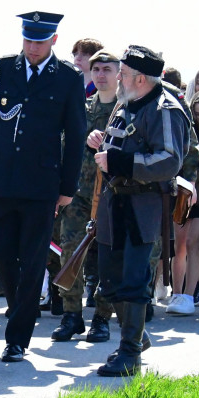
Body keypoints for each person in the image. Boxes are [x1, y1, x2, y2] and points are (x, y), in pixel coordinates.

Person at [0, 11, 86, 363]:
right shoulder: (3, 69)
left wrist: (68, 184)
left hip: (42, 183)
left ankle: (17, 337)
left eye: (40, 40)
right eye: (28, 40)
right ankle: (23, 305)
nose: (33, 47)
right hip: (2, 180)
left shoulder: (67, 78)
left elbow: (76, 136)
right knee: (0, 254)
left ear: (54, 41)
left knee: (33, 260)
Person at [90, 45, 190, 376]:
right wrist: (102, 147)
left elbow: (169, 160)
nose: (118, 76)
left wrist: (119, 161)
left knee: (133, 279)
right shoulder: (126, 102)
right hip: (114, 202)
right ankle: (137, 335)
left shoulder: (165, 110)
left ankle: (130, 353)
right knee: (109, 280)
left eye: (124, 72)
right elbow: (117, 144)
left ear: (142, 78)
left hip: (142, 206)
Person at [51, 50, 119, 342]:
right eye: (97, 69)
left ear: (119, 73)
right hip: (79, 192)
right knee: (70, 251)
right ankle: (71, 315)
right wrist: (86, 135)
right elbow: (63, 139)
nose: (101, 75)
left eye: (107, 69)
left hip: (114, 193)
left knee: (108, 256)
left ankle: (102, 317)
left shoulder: (127, 107)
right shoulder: (82, 106)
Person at [167, 89, 199, 315]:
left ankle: (189, 294)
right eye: (197, 114)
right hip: (184, 192)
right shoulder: (184, 125)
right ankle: (176, 293)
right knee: (180, 245)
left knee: (195, 243)